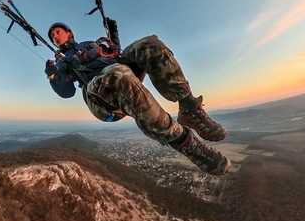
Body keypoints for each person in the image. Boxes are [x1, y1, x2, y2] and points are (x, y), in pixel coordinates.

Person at [44, 22, 231, 175]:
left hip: (118, 70)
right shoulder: (61, 61)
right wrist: (53, 76)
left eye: (57, 32)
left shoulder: (89, 44)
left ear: (69, 32)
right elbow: (66, 92)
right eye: (53, 37)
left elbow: (113, 53)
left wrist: (112, 37)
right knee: (118, 73)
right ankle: (186, 143)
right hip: (99, 95)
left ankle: (190, 109)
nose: (55, 37)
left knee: (150, 44)